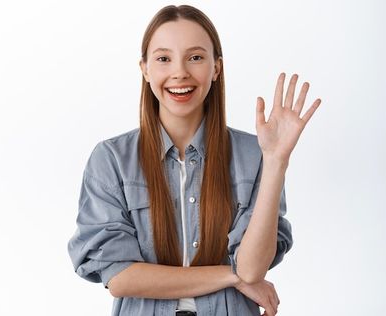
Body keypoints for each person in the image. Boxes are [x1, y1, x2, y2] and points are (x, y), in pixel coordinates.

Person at [67, 4, 321, 316]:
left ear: (216, 68)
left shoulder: (254, 155)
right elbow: (120, 277)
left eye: (196, 57)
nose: (180, 72)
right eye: (163, 58)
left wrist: (276, 161)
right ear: (145, 69)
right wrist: (231, 276)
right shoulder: (111, 160)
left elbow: (253, 269)